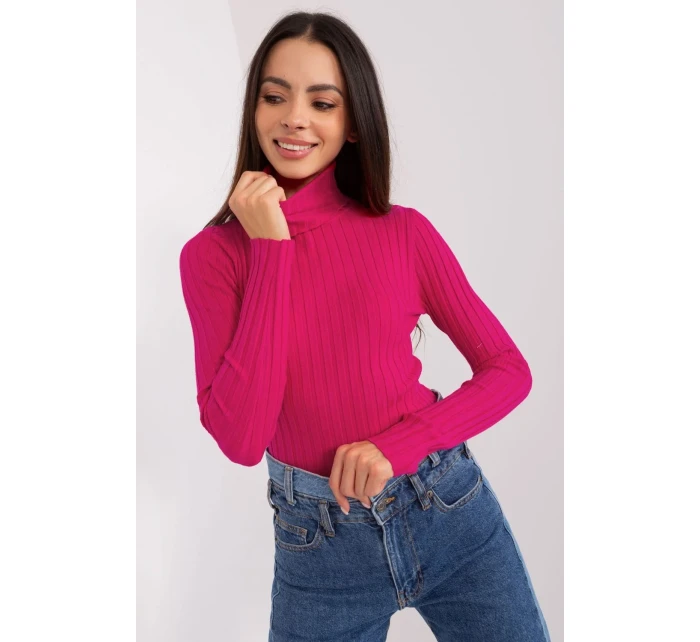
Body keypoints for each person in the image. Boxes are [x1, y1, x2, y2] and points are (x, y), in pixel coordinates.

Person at [179, 10, 551, 642]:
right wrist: (270, 249)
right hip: (317, 545)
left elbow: (508, 371)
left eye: (322, 103)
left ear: (352, 123)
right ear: (254, 109)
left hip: (446, 506)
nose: (295, 118)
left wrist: (401, 445)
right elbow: (242, 440)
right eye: (275, 97)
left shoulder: (404, 233)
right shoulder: (214, 257)